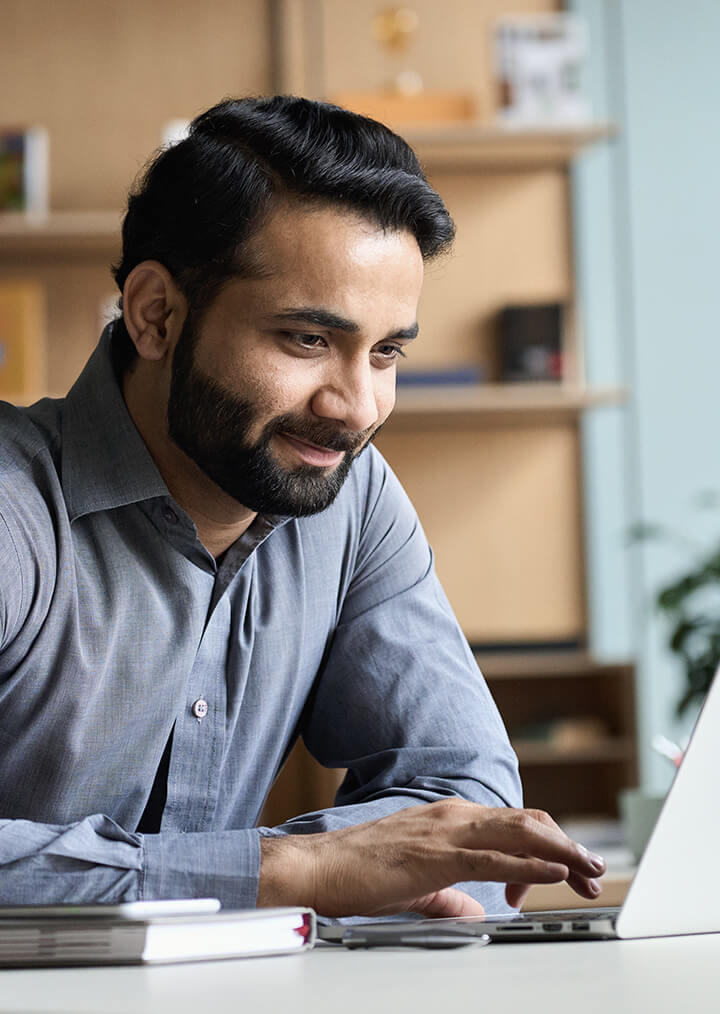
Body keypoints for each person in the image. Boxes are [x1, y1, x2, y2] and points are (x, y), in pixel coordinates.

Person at [0, 95, 605, 917]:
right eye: (308, 341)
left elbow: (469, 800)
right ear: (155, 315)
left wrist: (336, 869)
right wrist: (285, 873)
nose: (356, 408)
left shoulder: (351, 499)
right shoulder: (14, 510)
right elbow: (335, 867)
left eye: (386, 351)